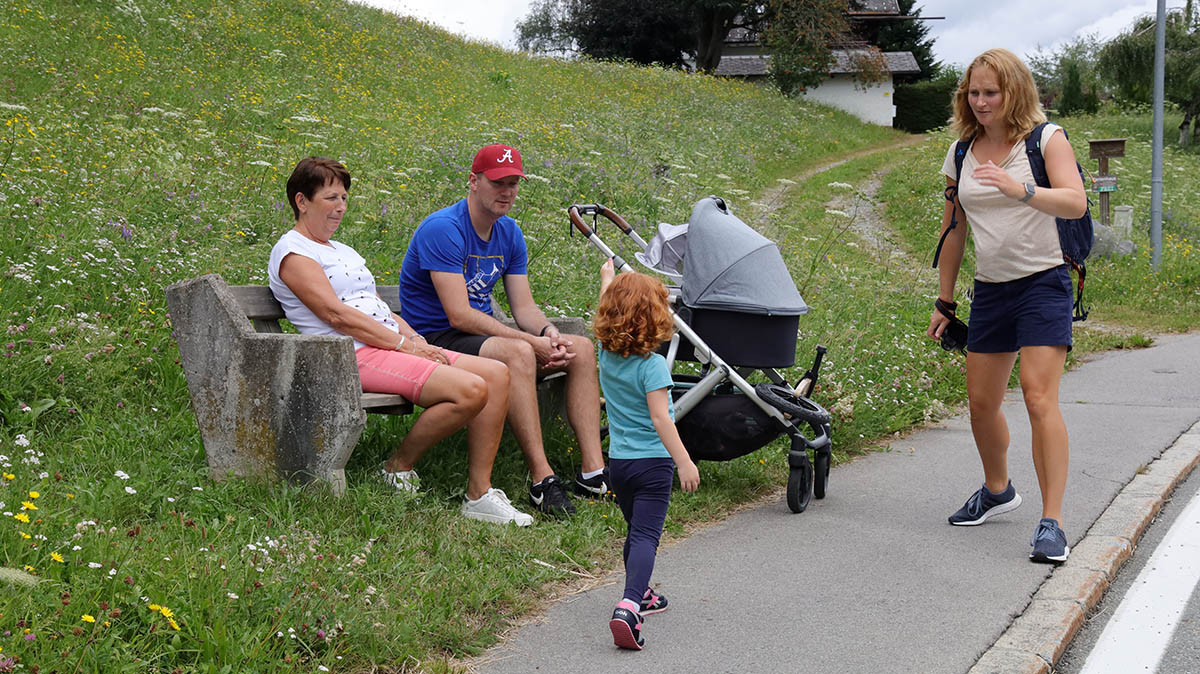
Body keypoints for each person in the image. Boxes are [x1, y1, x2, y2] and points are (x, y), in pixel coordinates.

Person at [269, 156, 531, 526]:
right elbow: (336, 315)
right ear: (301, 201)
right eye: (330, 198)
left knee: (498, 374)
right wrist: (405, 347)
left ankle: (479, 495)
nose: (340, 207)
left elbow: (377, 309)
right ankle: (397, 466)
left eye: (344, 198)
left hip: (385, 345)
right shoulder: (294, 252)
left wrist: (417, 340)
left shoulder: (341, 251)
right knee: (472, 390)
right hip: (348, 354)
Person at [928, 49, 1087, 563]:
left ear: (1013, 91)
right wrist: (944, 299)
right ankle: (998, 490)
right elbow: (954, 230)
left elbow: (1076, 201)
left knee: (1039, 398)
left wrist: (1022, 189)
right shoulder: (961, 153)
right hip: (992, 288)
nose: (980, 101)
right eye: (973, 93)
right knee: (980, 405)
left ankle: (1052, 522)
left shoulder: (1045, 140)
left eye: (990, 92)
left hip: (1044, 282)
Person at [398, 144, 607, 517]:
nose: (507, 191)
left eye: (513, 183)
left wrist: (547, 332)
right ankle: (543, 480)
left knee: (580, 349)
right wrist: (530, 343)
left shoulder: (509, 232)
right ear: (474, 181)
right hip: (436, 339)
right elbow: (459, 315)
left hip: (478, 338)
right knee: (519, 352)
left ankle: (593, 473)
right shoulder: (443, 229)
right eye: (498, 182)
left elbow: (523, 307)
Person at [594, 260, 700, 650]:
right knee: (645, 536)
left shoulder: (606, 354)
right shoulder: (653, 367)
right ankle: (628, 606)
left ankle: (643, 594)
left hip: (619, 464)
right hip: (654, 465)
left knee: (635, 531)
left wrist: (608, 281)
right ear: (654, 318)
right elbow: (661, 419)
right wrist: (685, 461)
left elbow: (611, 305)